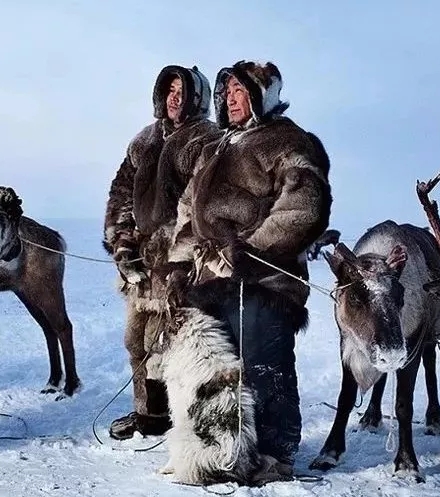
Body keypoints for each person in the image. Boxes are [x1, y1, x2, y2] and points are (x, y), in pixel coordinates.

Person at [162, 60, 332, 483]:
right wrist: (181, 264)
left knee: (263, 364)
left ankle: (276, 454)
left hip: (264, 280)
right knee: (221, 370)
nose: (231, 99)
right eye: (227, 92)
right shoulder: (215, 147)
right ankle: (227, 448)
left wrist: (251, 253)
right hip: (210, 279)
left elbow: (304, 205)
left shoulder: (289, 140)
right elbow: (188, 211)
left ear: (262, 95)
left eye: (241, 91)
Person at [102, 65, 221, 441]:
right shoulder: (144, 140)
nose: (174, 96)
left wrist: (180, 258)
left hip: (178, 262)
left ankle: (170, 415)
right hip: (139, 261)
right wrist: (122, 241)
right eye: (169, 89)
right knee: (135, 340)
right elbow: (121, 191)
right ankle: (146, 411)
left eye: (181, 90)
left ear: (196, 96)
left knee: (167, 341)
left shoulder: (206, 139)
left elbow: (198, 202)